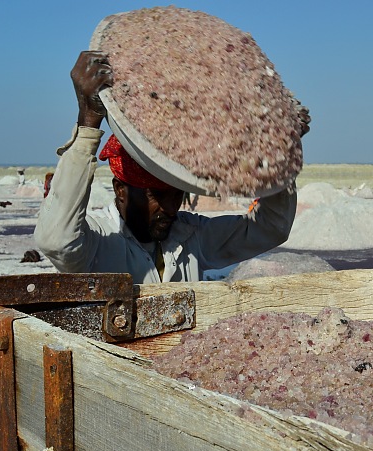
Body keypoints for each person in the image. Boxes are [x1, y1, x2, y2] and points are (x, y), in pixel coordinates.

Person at [35, 51, 309, 284]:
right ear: (120, 190)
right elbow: (55, 240)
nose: (170, 208)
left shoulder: (190, 236)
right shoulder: (99, 241)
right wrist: (88, 123)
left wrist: (280, 151)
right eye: (156, 195)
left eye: (175, 193)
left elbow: (271, 227)